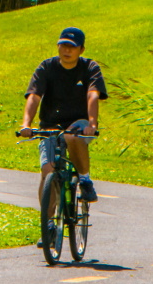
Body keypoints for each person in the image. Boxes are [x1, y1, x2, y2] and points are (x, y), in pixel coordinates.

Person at [19, 26, 106, 205]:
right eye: (63, 45)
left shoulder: (90, 67)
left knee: (72, 136)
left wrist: (92, 124)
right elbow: (34, 96)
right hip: (50, 125)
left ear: (81, 50)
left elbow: (93, 95)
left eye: (72, 47)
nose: (67, 50)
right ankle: (49, 226)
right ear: (57, 46)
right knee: (47, 171)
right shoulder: (46, 67)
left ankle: (85, 180)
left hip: (79, 123)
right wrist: (26, 124)